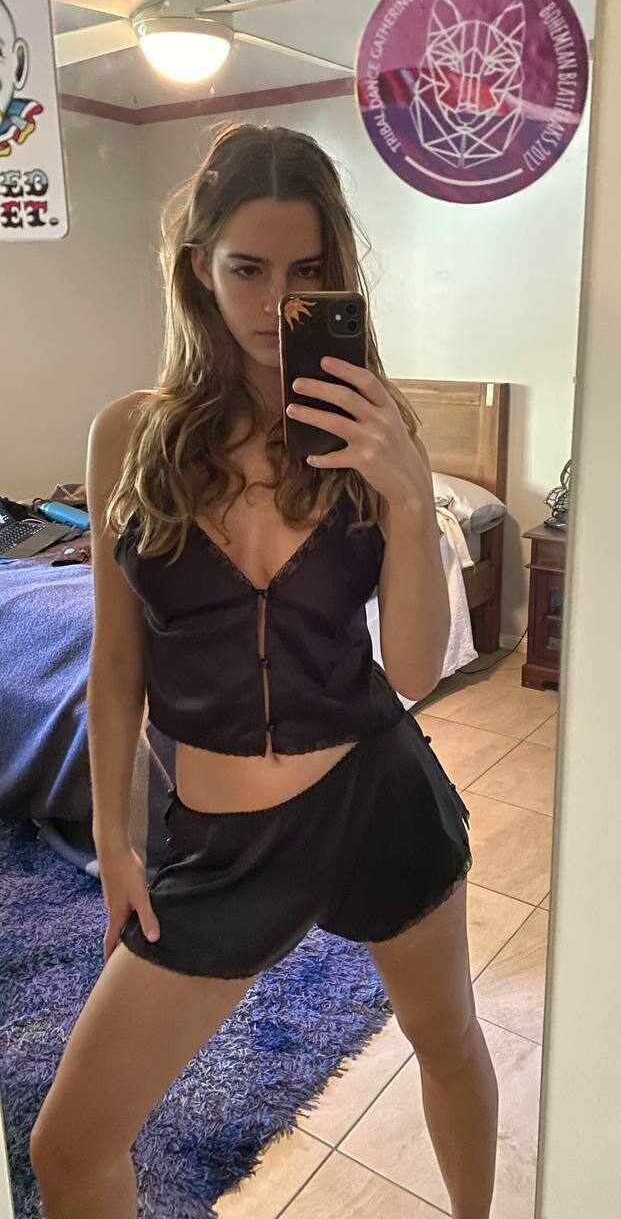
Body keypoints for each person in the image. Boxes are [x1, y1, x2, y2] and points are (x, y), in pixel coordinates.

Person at [29, 121, 499, 1218]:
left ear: (337, 277)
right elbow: (117, 662)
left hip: (378, 797)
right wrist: (112, 836)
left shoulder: (370, 431)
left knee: (449, 1041)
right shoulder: (128, 437)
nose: (274, 300)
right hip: (219, 845)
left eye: (306, 272)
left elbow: (415, 668)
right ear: (199, 265)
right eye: (248, 269)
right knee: (70, 1147)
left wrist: (407, 494)